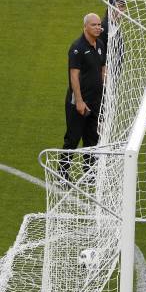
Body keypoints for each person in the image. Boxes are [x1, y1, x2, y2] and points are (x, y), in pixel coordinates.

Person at [59, 13, 106, 182]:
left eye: (99, 24)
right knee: (72, 138)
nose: (98, 27)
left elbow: (102, 69)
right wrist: (79, 101)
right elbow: (74, 77)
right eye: (94, 25)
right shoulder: (77, 48)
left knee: (92, 138)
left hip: (95, 101)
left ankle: (90, 173)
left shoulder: (100, 44)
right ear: (85, 27)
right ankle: (62, 175)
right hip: (78, 102)